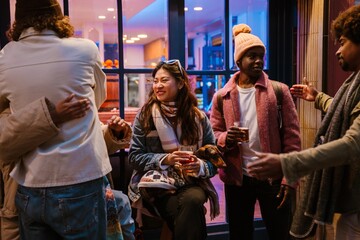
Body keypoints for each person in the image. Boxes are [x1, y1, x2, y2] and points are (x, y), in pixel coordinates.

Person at [247, 5, 360, 240]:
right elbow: (346, 112)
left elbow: (353, 144)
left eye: (342, 42)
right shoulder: (354, 82)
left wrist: (287, 163)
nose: (338, 50)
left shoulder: (277, 90)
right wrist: (317, 97)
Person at [0, 0, 111, 238]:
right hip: (80, 178)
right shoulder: (86, 49)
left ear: (18, 21)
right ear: (58, 16)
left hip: (29, 183)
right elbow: (97, 99)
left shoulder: (4, 58)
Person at [210, 23, 301, 240]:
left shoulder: (278, 91)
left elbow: (292, 137)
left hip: (273, 178)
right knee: (240, 234)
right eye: (252, 56)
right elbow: (213, 134)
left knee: (280, 233)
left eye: (261, 55)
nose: (259, 60)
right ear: (238, 61)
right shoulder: (222, 96)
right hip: (238, 178)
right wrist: (225, 138)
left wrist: (290, 178)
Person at [0, 96, 135, 240]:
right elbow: (5, 145)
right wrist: (53, 115)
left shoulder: (71, 99)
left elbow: (91, 143)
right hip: (27, 200)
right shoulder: (11, 110)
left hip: (81, 191)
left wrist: (114, 131)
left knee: (121, 203)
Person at [128, 60, 223, 240]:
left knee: (192, 201)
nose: (158, 85)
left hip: (191, 182)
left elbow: (214, 161)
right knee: (190, 208)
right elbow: (134, 157)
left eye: (164, 80)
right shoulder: (145, 115)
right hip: (155, 185)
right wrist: (166, 159)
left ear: (180, 84)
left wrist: (200, 166)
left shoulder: (198, 117)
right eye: (155, 81)